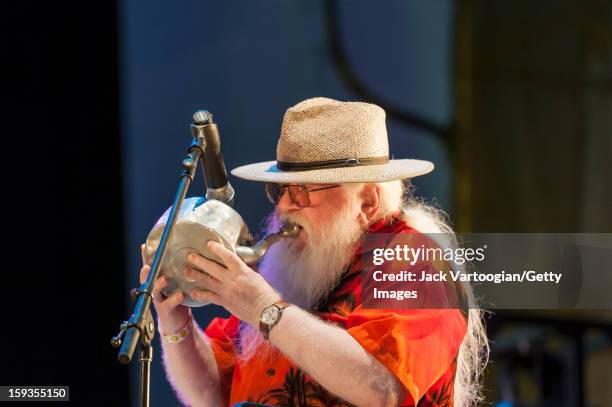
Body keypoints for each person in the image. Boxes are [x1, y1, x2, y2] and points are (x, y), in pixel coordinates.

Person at [140, 97, 489, 406]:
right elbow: (210, 395)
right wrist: (175, 318)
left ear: (366, 202)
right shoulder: (299, 268)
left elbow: (380, 390)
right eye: (281, 192)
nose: (285, 209)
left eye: (303, 192)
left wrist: (264, 309)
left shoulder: (414, 260)